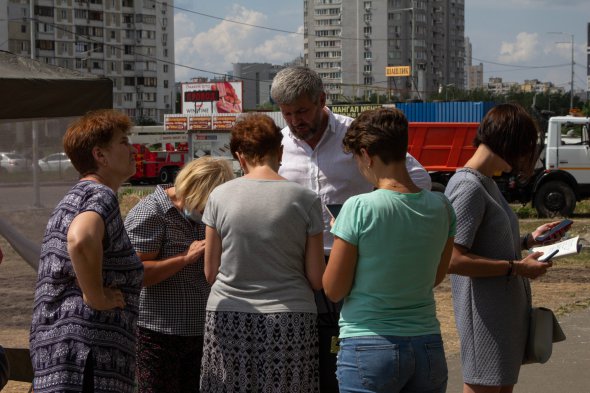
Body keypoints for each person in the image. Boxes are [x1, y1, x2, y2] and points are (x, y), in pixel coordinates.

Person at [271, 66, 432, 392]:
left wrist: (374, 212)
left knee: (349, 352)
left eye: (302, 110)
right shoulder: (278, 146)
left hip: (353, 265)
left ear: (321, 100)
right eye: (287, 113)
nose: (294, 121)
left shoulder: (355, 135)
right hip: (297, 268)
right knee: (303, 359)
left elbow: (418, 179)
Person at [322, 108, 455, 393]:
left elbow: (334, 289)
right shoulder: (443, 207)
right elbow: (435, 277)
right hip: (427, 344)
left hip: (368, 343)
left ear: (366, 155)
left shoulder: (357, 207)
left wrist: (341, 231)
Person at [444, 103, 567, 393]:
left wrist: (528, 240)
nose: (524, 158)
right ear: (510, 143)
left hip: (501, 314)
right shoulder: (468, 186)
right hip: (484, 317)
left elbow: (485, 240)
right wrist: (517, 268)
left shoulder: (486, 182)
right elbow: (453, 259)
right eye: (524, 148)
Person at [200, 113, 325, 392]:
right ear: (279, 151)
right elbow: (317, 279)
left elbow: (210, 272)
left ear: (239, 155)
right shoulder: (305, 199)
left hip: (228, 315)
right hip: (291, 318)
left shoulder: (219, 196)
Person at [29, 109, 144, 393]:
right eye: (123, 142)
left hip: (63, 354)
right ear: (100, 156)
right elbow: (81, 239)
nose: (132, 149)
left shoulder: (73, 197)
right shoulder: (100, 195)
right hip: (88, 359)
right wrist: (98, 297)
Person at [123, 156, 234, 393]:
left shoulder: (204, 216)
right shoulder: (151, 213)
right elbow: (136, 275)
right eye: (206, 205)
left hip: (201, 331)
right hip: (158, 334)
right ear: (193, 189)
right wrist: (185, 258)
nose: (207, 211)